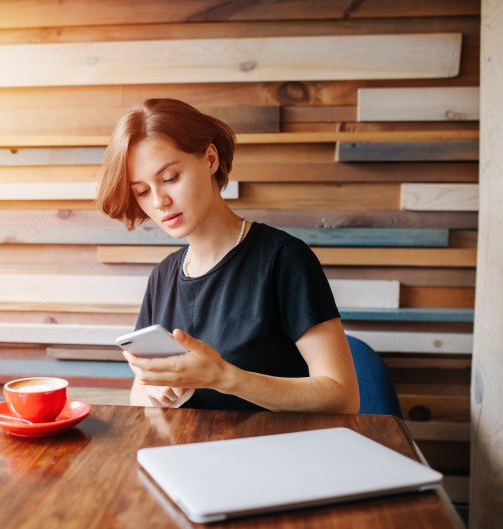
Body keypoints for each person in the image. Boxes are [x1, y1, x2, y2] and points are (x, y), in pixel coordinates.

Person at [96, 98, 359, 414]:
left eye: (169, 178)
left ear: (209, 159)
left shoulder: (283, 259)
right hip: (192, 454)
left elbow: (343, 398)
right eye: (142, 191)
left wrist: (226, 377)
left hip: (276, 454)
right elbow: (140, 390)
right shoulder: (163, 276)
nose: (160, 201)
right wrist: (163, 394)